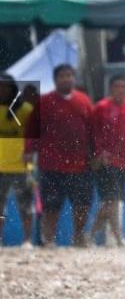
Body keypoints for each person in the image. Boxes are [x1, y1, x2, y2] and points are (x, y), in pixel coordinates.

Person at [24, 65, 93, 247]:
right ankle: (49, 240)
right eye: (62, 76)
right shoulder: (44, 101)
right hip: (51, 164)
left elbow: (92, 130)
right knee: (51, 205)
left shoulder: (84, 101)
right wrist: (29, 151)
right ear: (55, 80)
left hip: (80, 164)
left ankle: (78, 238)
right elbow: (32, 128)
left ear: (74, 78)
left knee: (82, 204)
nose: (66, 79)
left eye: (69, 75)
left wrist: (94, 153)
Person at [89, 75, 125, 247]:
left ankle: (91, 235)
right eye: (116, 86)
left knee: (112, 200)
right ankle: (118, 238)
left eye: (123, 86)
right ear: (111, 88)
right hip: (106, 161)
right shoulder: (101, 107)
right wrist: (97, 154)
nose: (120, 89)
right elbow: (93, 133)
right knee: (112, 199)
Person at [0, 74, 34, 247]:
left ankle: (27, 240)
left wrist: (30, 152)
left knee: (26, 206)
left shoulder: (26, 110)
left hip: (22, 167)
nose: (2, 90)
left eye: (6, 86)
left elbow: (35, 137)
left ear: (13, 88)